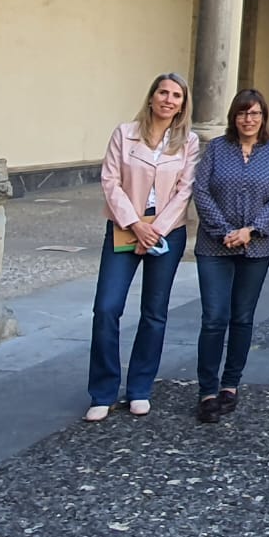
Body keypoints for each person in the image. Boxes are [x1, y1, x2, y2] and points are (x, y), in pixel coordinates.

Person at [86, 73, 199, 422]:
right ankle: (103, 391)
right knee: (107, 307)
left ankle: (139, 388)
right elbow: (110, 180)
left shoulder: (189, 142)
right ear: (151, 97)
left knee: (154, 312)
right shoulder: (124, 133)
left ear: (182, 104)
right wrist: (135, 225)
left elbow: (185, 190)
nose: (168, 99)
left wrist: (156, 230)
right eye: (163, 92)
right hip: (124, 228)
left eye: (176, 95)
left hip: (167, 231)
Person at [191, 89, 269, 424]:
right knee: (214, 317)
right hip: (214, 246)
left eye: (255, 113)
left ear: (264, 118)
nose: (249, 119)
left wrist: (250, 230)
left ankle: (231, 383)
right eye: (243, 113)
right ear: (234, 117)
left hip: (257, 246)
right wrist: (224, 231)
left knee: (242, 318)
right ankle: (207, 389)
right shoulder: (217, 149)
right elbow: (200, 190)